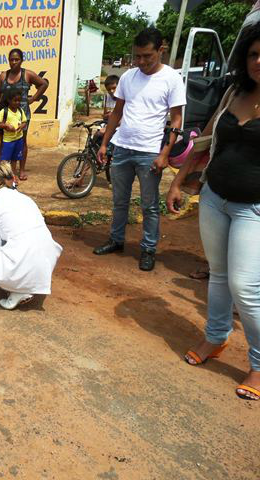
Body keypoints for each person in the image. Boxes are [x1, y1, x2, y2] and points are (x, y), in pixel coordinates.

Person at [166, 23, 260, 401]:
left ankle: (258, 362)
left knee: (246, 287)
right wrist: (179, 180)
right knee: (218, 276)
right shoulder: (235, 92)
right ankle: (215, 338)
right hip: (214, 197)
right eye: (253, 53)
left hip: (253, 209)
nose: (259, 60)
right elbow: (205, 139)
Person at [94, 28, 185, 272]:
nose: (142, 62)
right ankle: (116, 240)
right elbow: (117, 113)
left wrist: (164, 154)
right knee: (119, 201)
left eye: (147, 56)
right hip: (122, 148)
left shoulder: (172, 79)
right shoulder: (128, 77)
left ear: (161, 50)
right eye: (138, 56)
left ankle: (148, 249)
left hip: (149, 153)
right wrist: (105, 143)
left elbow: (176, 120)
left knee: (150, 205)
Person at [0, 175, 62, 310]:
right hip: (47, 259)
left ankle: (17, 289)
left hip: (25, 261)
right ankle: (23, 285)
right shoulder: (25, 198)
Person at [0, 48, 48, 181]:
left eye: (17, 59)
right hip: (6, 115)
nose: (13, 62)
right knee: (4, 142)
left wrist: (33, 99)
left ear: (21, 60)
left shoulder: (27, 75)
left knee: (21, 142)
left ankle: (21, 170)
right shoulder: (3, 76)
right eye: (11, 59)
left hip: (22, 115)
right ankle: (1, 170)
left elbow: (43, 84)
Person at [0, 89, 27, 170]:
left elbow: (24, 122)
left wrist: (21, 126)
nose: (17, 103)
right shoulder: (4, 111)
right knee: (5, 160)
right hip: (8, 141)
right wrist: (6, 126)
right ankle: (4, 174)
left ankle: (13, 175)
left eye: (19, 101)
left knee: (14, 159)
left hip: (18, 139)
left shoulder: (20, 110)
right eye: (15, 101)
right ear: (9, 100)